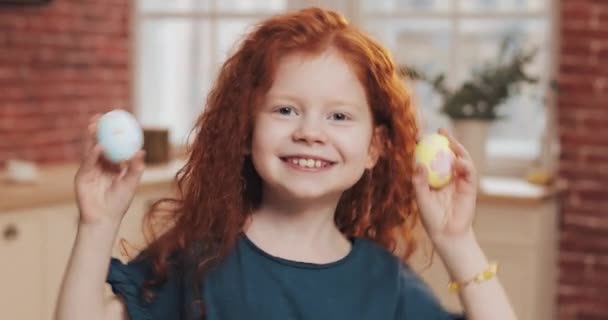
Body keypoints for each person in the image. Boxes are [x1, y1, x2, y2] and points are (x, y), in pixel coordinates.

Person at [55, 7, 517, 320]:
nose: (310, 132)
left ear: (374, 146)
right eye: (285, 110)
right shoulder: (196, 260)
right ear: (246, 129)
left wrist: (457, 242)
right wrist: (97, 224)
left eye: (338, 116)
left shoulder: (386, 284)